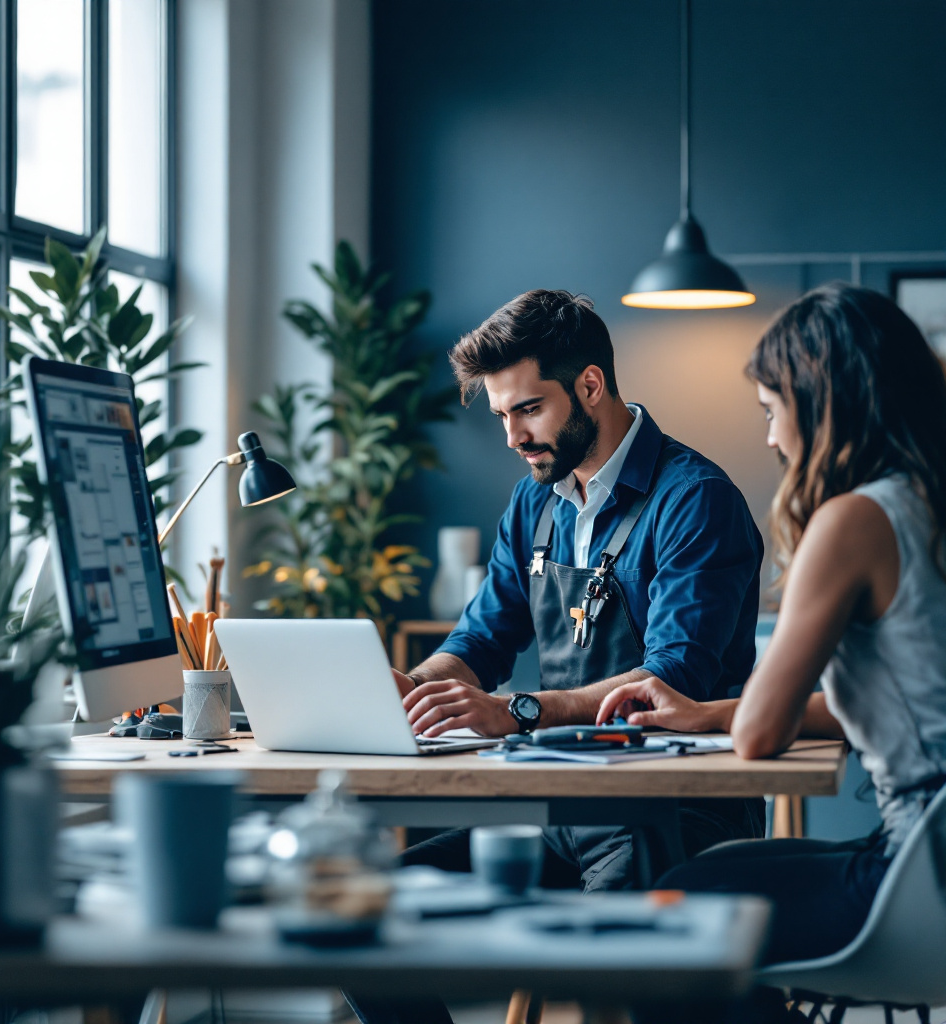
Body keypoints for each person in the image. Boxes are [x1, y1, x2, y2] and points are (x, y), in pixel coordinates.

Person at [597, 282, 946, 1022]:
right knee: (711, 874)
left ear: (821, 402)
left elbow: (762, 737)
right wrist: (703, 713)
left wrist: (731, 717)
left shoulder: (854, 520)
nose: (770, 439)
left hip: (921, 872)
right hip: (921, 852)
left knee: (671, 915)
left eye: (771, 411)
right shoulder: (927, 506)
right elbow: (896, 712)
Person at [394, 288, 766, 890]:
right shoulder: (533, 499)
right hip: (557, 808)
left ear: (590, 385)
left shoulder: (696, 500)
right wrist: (413, 690)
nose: (512, 436)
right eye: (502, 416)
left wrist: (518, 711)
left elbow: (671, 681)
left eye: (529, 410)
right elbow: (482, 640)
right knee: (367, 908)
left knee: (601, 963)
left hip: (674, 811)